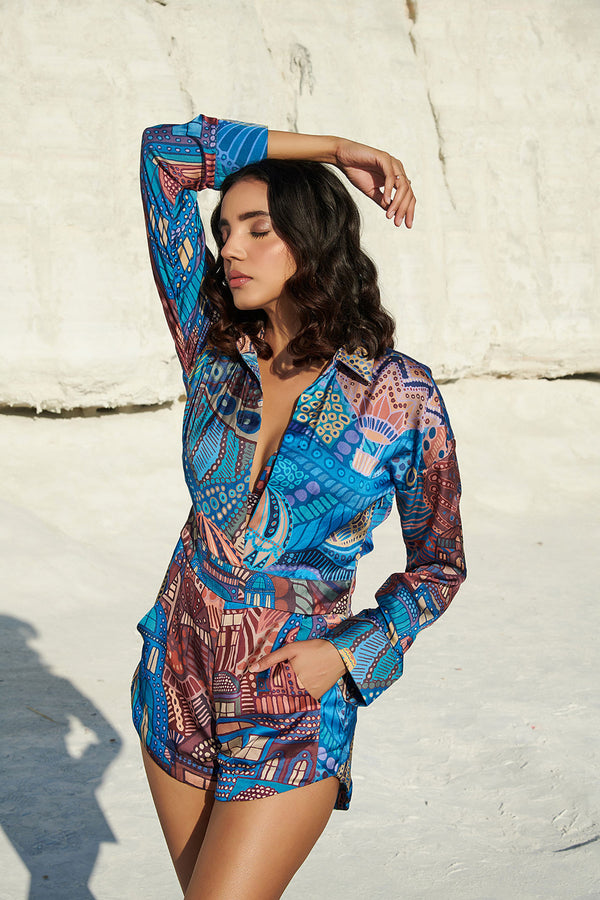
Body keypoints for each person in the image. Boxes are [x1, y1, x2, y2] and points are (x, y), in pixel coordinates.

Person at [130, 111, 465, 900]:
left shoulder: (397, 394)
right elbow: (164, 155)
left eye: (259, 229)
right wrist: (335, 146)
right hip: (175, 680)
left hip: (287, 702)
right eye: (224, 230)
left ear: (312, 242)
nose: (230, 249)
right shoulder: (212, 347)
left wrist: (349, 654)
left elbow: (440, 566)